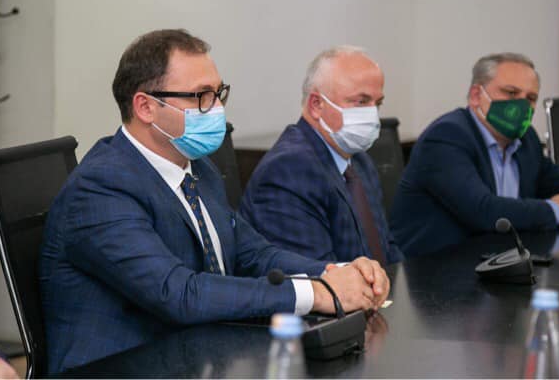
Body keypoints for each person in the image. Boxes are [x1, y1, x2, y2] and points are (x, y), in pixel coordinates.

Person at [39, 30, 390, 374]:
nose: (217, 108)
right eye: (201, 96)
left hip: (197, 355)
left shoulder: (198, 169)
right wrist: (316, 293)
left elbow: (253, 254)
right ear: (145, 107)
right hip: (121, 367)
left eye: (219, 93)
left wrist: (336, 273)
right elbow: (178, 293)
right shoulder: (101, 188)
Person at [391, 52, 559, 258]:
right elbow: (483, 211)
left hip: (499, 261)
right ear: (476, 96)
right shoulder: (446, 137)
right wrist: (557, 211)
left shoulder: (526, 140)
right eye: (511, 93)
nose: (522, 106)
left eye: (530, 98)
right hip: (434, 267)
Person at [239, 46, 402, 265]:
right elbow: (316, 274)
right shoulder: (289, 170)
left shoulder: (360, 161)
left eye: (378, 103)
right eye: (361, 102)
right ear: (316, 105)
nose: (373, 114)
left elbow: (386, 249)